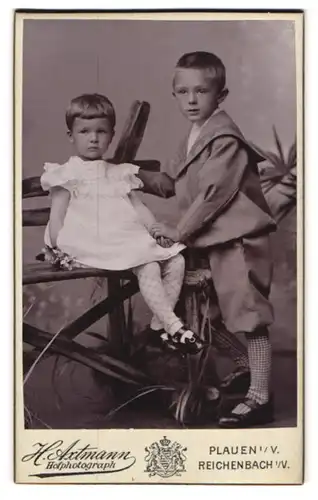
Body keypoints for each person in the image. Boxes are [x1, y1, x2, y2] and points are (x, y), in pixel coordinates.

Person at [136, 52, 277, 427]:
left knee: (248, 314)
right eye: (183, 92)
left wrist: (179, 232)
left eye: (202, 90)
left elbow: (214, 192)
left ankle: (262, 397)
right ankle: (246, 367)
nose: (192, 100)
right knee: (209, 310)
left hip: (240, 240)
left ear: (221, 95)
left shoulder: (224, 137)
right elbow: (175, 183)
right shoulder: (194, 136)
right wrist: (129, 175)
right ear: (174, 94)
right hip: (215, 239)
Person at [40, 93, 204, 356]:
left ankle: (158, 327)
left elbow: (137, 208)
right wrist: (57, 248)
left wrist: (154, 231)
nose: (93, 138)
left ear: (111, 135)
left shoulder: (118, 173)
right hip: (89, 240)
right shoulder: (66, 174)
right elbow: (57, 216)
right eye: (84, 131)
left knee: (177, 260)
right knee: (149, 264)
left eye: (101, 132)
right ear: (71, 135)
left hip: (121, 238)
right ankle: (174, 326)